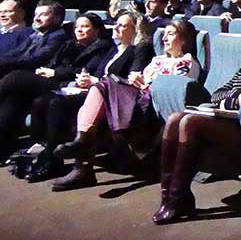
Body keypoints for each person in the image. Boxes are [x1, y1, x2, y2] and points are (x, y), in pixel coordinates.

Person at [153, 21, 241, 224]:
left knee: (189, 123)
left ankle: (177, 200)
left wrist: (237, 98)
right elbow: (216, 95)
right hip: (224, 120)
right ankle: (170, 197)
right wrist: (235, 98)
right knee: (174, 119)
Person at [51, 20, 201, 191]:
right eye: (164, 34)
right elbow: (144, 82)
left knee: (105, 84)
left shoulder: (187, 63)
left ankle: (82, 153)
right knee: (95, 99)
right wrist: (138, 81)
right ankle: (82, 151)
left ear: (183, 40)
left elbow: (173, 93)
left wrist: (144, 85)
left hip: (151, 110)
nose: (164, 38)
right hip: (136, 100)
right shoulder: (157, 60)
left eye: (171, 34)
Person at [24, 12, 155, 182]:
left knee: (58, 104)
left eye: (122, 25)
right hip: (96, 93)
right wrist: (86, 80)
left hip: (118, 98)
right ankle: (51, 154)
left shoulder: (140, 49)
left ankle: (56, 159)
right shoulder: (113, 50)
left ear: (135, 30)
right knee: (44, 100)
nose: (115, 27)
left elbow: (132, 79)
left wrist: (95, 81)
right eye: (116, 23)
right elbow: (98, 74)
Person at [0, 13, 111, 160]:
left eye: (85, 26)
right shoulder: (69, 44)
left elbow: (86, 70)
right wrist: (45, 70)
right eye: (77, 26)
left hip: (66, 85)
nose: (79, 30)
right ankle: (3, 148)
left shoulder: (102, 47)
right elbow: (53, 62)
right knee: (14, 98)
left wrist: (55, 72)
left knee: (16, 77)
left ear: (97, 30)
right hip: (52, 80)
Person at [0, 0, 69, 78]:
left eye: (43, 15)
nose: (36, 18)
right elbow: (17, 52)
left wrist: (5, 62)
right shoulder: (36, 35)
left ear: (57, 18)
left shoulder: (58, 37)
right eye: (35, 14)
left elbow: (36, 59)